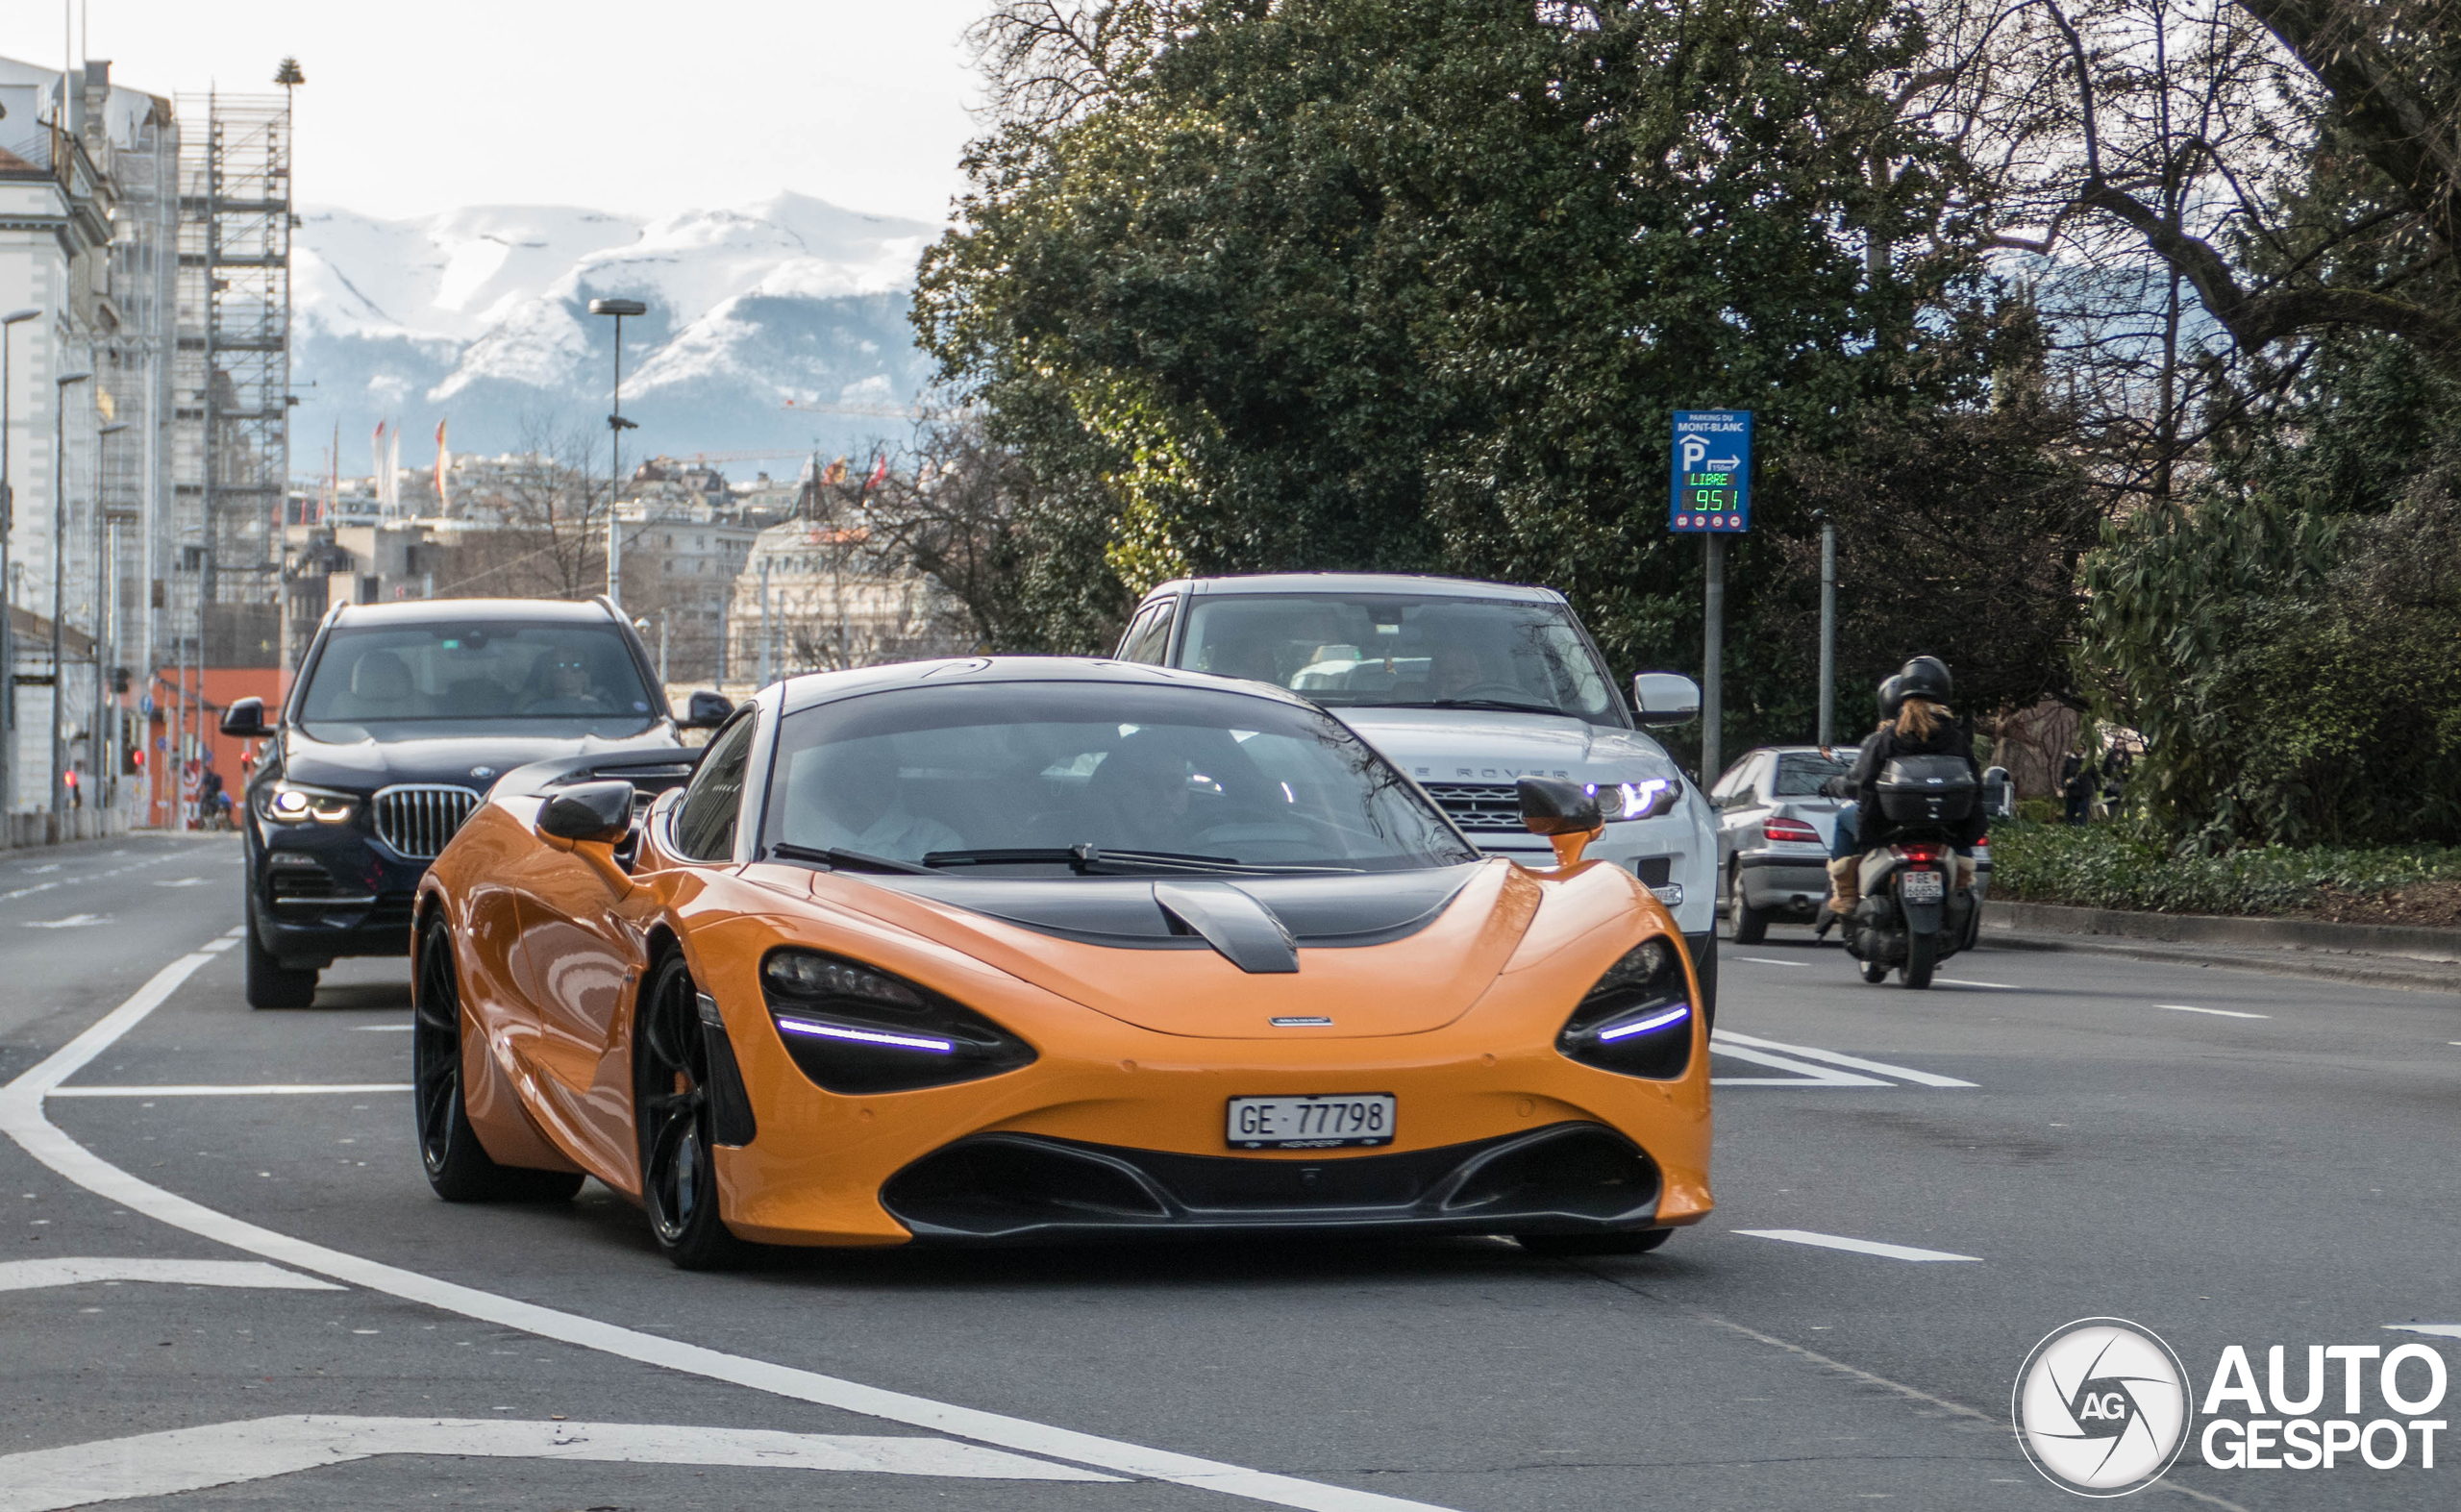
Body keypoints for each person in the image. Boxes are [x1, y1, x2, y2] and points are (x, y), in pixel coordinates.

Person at [1821, 657, 1985, 920]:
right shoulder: (1955, 738)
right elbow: (1975, 789)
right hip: (1945, 830)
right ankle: (1962, 883)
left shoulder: (1887, 738)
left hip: (1889, 829)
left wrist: (1869, 830)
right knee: (1959, 834)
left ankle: (1846, 896)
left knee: (1843, 818)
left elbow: (1866, 786)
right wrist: (1971, 828)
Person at [523, 650, 617, 716]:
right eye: (557, 666)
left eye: (575, 665)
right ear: (549, 674)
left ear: (586, 673)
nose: (566, 671)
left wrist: (594, 707)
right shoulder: (532, 706)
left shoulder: (602, 703)